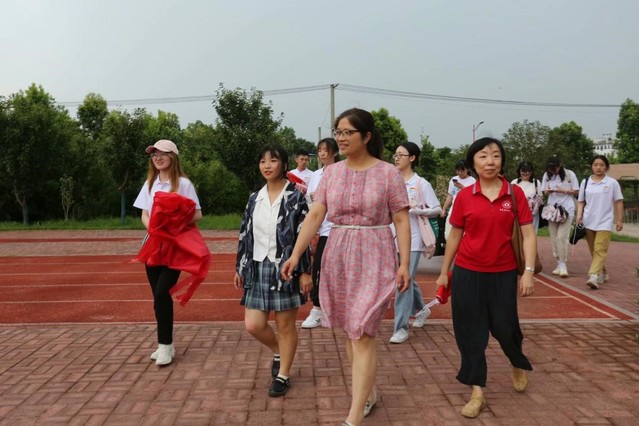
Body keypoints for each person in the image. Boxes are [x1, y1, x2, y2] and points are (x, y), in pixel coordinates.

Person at [281, 108, 411, 426]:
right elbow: (316, 215)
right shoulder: (332, 173)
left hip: (375, 253)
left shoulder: (387, 173)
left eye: (347, 132)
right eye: (337, 132)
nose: (340, 138)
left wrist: (405, 263)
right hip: (338, 254)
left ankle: (353, 417)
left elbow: (400, 218)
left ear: (366, 136)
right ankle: (367, 393)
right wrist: (296, 254)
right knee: (352, 331)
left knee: (363, 332)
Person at [435, 137, 535, 419]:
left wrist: (528, 272)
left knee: (505, 327)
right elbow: (455, 235)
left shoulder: (514, 194)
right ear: (473, 163)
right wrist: (444, 272)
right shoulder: (465, 196)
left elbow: (528, 234)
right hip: (468, 272)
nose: (490, 161)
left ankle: (517, 361)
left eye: (495, 156)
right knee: (470, 332)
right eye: (483, 156)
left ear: (502, 161)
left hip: (503, 273)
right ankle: (477, 390)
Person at [234, 144, 312, 398]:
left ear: (284, 164)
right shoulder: (254, 198)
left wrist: (304, 271)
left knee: (285, 325)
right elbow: (245, 233)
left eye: (273, 160)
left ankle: (283, 375)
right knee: (253, 324)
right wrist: (240, 266)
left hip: (285, 267)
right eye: (263, 161)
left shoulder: (296, 197)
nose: (267, 166)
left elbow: (304, 235)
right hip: (257, 266)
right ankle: (279, 351)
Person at [133, 139, 203, 366]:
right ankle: (166, 344)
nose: (158, 158)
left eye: (163, 154)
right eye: (154, 155)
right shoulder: (150, 183)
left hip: (175, 247)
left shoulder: (183, 184)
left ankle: (165, 346)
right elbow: (144, 214)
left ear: (173, 157)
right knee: (158, 297)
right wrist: (153, 228)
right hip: (153, 246)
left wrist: (173, 225)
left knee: (163, 292)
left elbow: (197, 214)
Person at [389, 142, 441, 344]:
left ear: (412, 158)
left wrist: (416, 210)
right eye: (395, 154)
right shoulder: (391, 180)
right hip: (391, 236)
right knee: (406, 277)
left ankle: (400, 328)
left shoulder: (420, 183)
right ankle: (421, 308)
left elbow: (437, 209)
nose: (396, 158)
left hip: (413, 239)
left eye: (401, 155)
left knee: (402, 282)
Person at [301, 137, 340, 329]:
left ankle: (336, 309)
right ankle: (317, 309)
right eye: (320, 150)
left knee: (339, 272)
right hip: (323, 229)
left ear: (335, 152)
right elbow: (310, 203)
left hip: (340, 229)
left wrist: (325, 197)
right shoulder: (316, 175)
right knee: (317, 267)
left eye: (326, 150)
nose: (322, 153)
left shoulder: (342, 172)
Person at [576, 155, 624, 289]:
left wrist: (619, 220)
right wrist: (579, 215)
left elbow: (619, 201)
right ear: (592, 166)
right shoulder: (585, 182)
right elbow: (581, 201)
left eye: (601, 165)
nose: (598, 167)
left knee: (600, 249)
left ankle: (593, 276)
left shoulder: (612, 183)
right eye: (595, 165)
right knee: (593, 250)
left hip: (605, 222)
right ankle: (603, 272)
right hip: (588, 221)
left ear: (606, 167)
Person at [541, 156, 579, 277]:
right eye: (550, 168)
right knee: (553, 238)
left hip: (567, 209)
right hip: (552, 210)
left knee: (561, 237)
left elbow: (576, 191)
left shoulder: (570, 174)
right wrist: (548, 191)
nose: (553, 170)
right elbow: (544, 192)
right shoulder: (546, 175)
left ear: (560, 165)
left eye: (555, 167)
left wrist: (563, 191)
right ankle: (558, 262)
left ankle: (563, 264)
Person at [440, 160, 476, 239]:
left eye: (462, 170)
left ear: (467, 169)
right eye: (458, 170)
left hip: (466, 211)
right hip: (453, 209)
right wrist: (444, 209)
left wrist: (462, 188)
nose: (459, 173)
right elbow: (450, 195)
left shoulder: (472, 181)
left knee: (463, 236)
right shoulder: (453, 179)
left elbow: (473, 198)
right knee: (448, 234)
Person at [511, 161, 543, 234]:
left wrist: (533, 202)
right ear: (519, 171)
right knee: (519, 233)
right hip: (518, 213)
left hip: (532, 213)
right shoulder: (514, 182)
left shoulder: (536, 182)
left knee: (532, 233)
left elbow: (541, 197)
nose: (525, 173)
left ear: (531, 172)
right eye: (523, 171)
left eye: (528, 171)